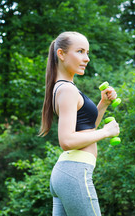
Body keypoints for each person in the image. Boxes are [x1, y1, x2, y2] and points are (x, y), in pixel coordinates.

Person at [39, 31, 120, 216]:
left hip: (66, 174)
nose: (87, 58)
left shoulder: (64, 87)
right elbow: (67, 140)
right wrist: (106, 132)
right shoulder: (67, 89)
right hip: (74, 173)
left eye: (87, 52)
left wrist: (103, 105)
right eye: (81, 51)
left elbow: (84, 129)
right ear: (61, 54)